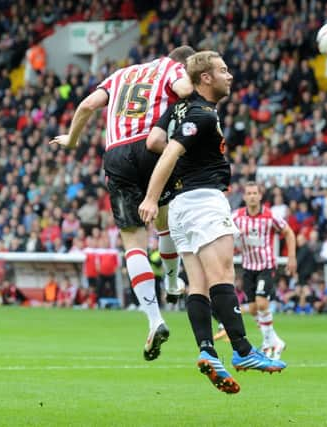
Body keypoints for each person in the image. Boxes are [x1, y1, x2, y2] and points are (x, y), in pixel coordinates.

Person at [138, 51, 286, 394]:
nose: (230, 75)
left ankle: (207, 350)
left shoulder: (178, 109)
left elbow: (155, 141)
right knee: (222, 277)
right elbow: (170, 151)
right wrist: (149, 197)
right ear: (205, 78)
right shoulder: (201, 114)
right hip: (204, 199)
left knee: (198, 286)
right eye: (223, 70)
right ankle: (244, 350)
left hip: (179, 207)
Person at [49, 46, 196, 361]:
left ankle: (155, 320)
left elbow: (88, 105)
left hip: (116, 153)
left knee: (133, 244)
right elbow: (185, 90)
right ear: (183, 63)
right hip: (152, 146)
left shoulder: (121, 74)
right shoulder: (173, 69)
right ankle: (172, 281)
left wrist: (72, 140)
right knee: (164, 221)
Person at [230, 181, 296, 359]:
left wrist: (291, 257)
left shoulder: (270, 216)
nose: (252, 196)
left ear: (260, 196)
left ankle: (267, 345)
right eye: (249, 193)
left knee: (261, 303)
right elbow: (225, 232)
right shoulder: (236, 217)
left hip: (266, 266)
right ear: (244, 196)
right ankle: (275, 341)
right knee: (252, 309)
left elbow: (288, 232)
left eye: (255, 193)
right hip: (247, 267)